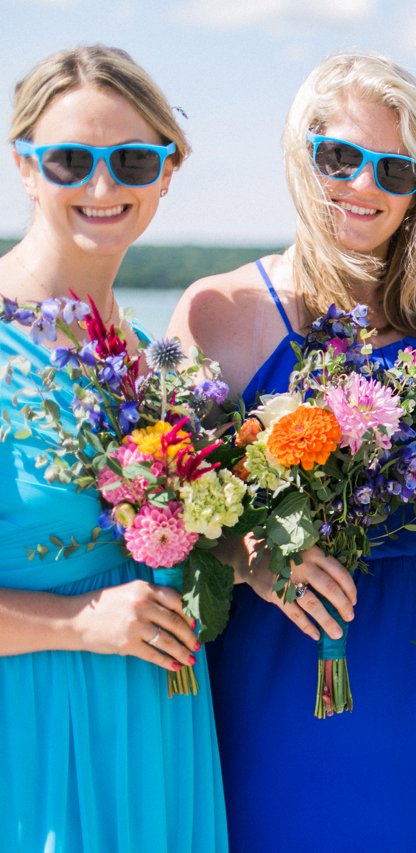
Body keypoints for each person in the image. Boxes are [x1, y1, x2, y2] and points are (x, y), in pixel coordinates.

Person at [168, 51, 416, 852]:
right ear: (300, 154)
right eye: (341, 157)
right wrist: (251, 553)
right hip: (287, 661)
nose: (364, 186)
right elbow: (164, 504)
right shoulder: (221, 311)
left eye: (395, 169)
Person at [0, 45, 226, 852]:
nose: (104, 187)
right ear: (25, 166)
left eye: (131, 159)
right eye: (70, 160)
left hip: (160, 725)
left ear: (167, 172)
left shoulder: (137, 347)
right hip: (38, 729)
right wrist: (75, 622)